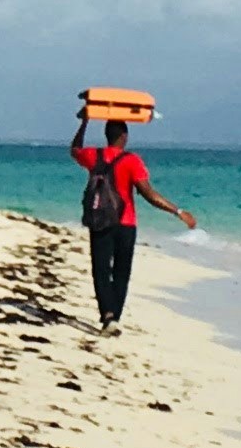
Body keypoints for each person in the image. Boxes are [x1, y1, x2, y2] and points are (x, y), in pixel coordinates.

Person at [68, 110, 196, 332]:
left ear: (107, 135)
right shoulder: (132, 161)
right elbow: (149, 194)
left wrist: (84, 123)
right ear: (124, 137)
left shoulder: (93, 156)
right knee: (121, 271)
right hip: (126, 224)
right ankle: (114, 317)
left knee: (100, 270)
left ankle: (108, 316)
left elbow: (74, 149)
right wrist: (178, 211)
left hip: (100, 220)